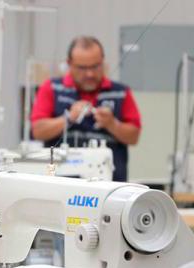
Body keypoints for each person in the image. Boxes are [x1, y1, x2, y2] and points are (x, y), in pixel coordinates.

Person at [31, 36, 142, 181]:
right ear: (69, 64)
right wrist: (69, 118)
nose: (90, 74)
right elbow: (38, 131)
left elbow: (134, 137)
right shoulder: (51, 88)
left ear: (103, 61)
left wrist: (112, 124)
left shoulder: (121, 92)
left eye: (95, 66)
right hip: (61, 183)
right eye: (82, 68)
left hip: (110, 184)